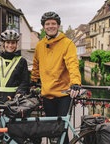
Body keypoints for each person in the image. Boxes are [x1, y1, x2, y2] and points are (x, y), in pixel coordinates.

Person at [31, 11, 81, 144]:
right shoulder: (40, 45)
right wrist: (33, 81)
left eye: (53, 23)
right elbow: (36, 65)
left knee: (61, 130)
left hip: (64, 94)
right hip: (47, 94)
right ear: (43, 27)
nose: (50, 26)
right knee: (51, 130)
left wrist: (75, 82)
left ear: (58, 25)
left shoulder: (67, 43)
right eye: (47, 24)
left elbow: (72, 64)